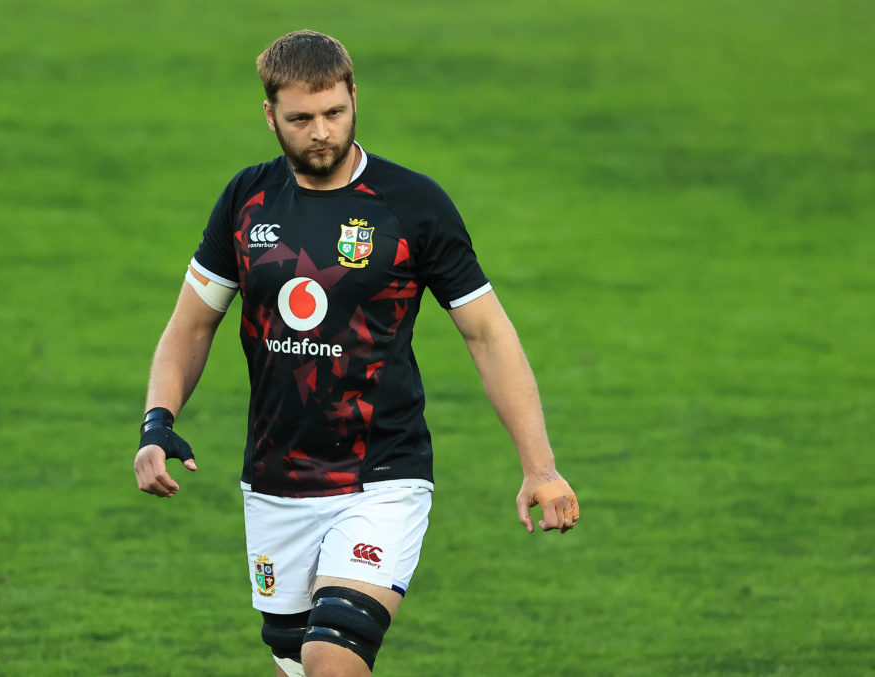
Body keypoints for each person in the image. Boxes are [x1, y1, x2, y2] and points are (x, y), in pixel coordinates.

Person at [133, 29, 580, 677]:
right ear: (270, 117)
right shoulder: (246, 200)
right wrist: (158, 420)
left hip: (381, 476)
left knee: (331, 658)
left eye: (335, 113)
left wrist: (540, 466)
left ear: (353, 98)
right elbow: (191, 325)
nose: (321, 132)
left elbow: (487, 331)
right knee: (297, 659)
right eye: (301, 118)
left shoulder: (412, 205)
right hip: (274, 482)